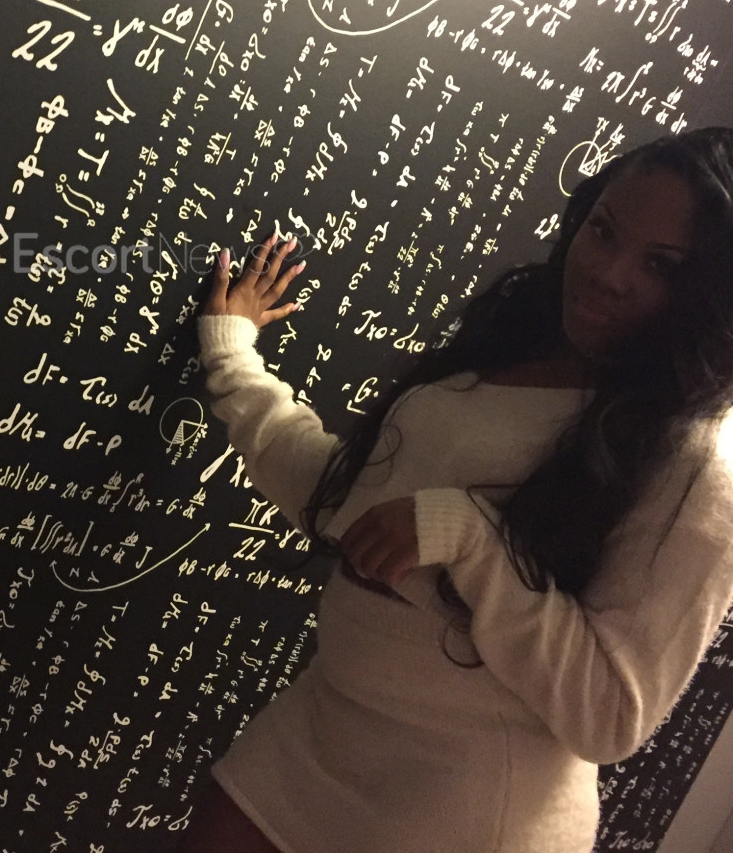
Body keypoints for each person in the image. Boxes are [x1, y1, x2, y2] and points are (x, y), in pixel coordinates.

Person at [179, 128, 733, 853]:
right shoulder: (526, 336)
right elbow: (354, 505)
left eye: (660, 264)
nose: (608, 273)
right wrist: (231, 359)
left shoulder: (696, 462)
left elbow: (609, 714)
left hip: (462, 815)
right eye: (603, 230)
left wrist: (470, 540)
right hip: (312, 740)